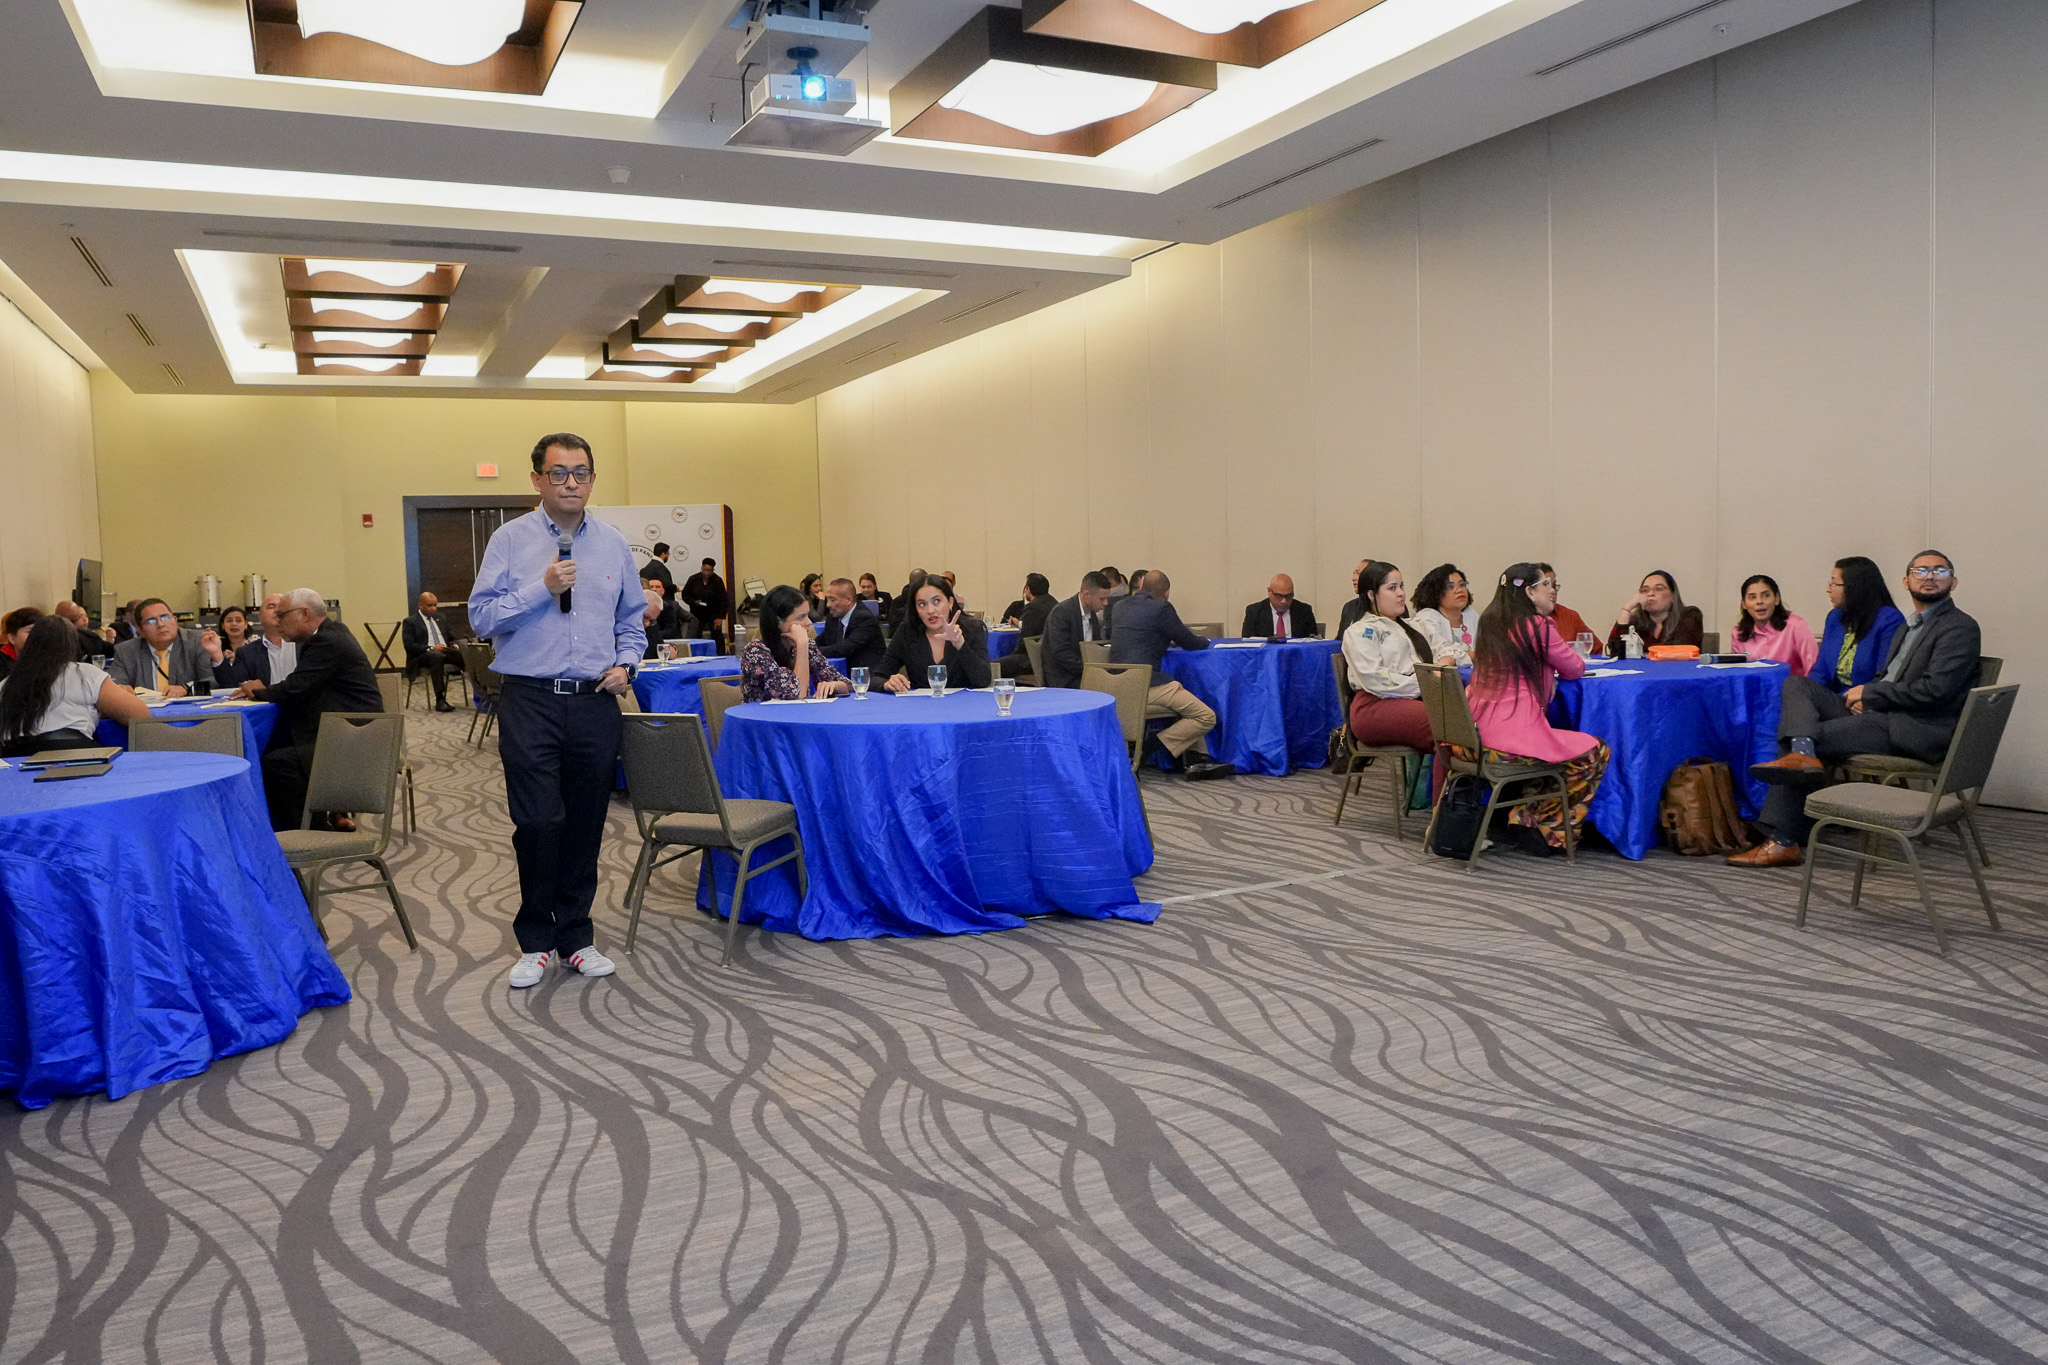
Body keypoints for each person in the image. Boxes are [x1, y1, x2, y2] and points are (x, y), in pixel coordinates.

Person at [466, 433, 644, 988]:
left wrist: (628, 665)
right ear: (537, 480)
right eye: (559, 472)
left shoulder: (612, 544)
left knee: (587, 823)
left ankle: (576, 937)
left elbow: (631, 620)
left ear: (592, 479)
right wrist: (540, 588)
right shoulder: (510, 540)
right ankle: (535, 940)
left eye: (581, 472)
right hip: (530, 699)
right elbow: (481, 618)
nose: (571, 482)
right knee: (539, 822)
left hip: (595, 702)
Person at [1730, 550, 1980, 869]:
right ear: (1906, 581)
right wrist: (1868, 696)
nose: (1929, 576)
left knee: (1806, 738)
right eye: (1920, 571)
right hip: (1881, 712)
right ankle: (1797, 785)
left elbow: (1936, 690)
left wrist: (1871, 695)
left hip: (1911, 726)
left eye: (1939, 571)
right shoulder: (1911, 626)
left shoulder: (1959, 627)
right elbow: (1884, 675)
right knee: (1796, 687)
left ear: (1953, 582)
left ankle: (1783, 839)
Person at [1462, 564, 1609, 854]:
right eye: (1546, 584)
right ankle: (1549, 830)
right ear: (1529, 592)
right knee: (1595, 751)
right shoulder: (1537, 626)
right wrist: (1550, 673)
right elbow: (1574, 667)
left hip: (1472, 735)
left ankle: (1525, 819)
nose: (1552, 591)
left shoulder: (1490, 622)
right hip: (1509, 741)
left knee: (1553, 752)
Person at [230, 588, 383, 831]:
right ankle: (320, 819)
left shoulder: (326, 641)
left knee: (275, 763)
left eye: (282, 615)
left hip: (351, 738)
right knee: (279, 747)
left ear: (304, 614)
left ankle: (310, 831)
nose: (278, 622)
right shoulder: (331, 633)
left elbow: (294, 689)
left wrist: (258, 690)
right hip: (350, 729)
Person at [1106, 572, 1234, 780]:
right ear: (1166, 593)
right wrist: (1206, 640)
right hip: (1147, 686)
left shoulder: (1119, 606)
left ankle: (1195, 758)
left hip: (1115, 687)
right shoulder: (1162, 608)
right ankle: (1150, 748)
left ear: (1140, 586)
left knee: (1185, 697)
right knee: (1205, 716)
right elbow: (1191, 642)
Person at [1342, 562, 1452, 759]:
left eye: (1401, 586)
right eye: (1392, 588)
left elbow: (1448, 649)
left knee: (1463, 713)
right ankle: (1454, 777)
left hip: (1415, 697)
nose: (1401, 593)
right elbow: (1375, 679)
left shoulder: (1415, 626)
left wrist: (1446, 661)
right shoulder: (1361, 632)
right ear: (1371, 594)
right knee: (1445, 720)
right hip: (1374, 705)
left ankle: (1447, 776)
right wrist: (1428, 683)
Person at [0, 616, 149, 757]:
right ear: (73, 644)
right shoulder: (84, 674)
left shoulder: (6, 684)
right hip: (75, 756)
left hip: (16, 759)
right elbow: (140, 716)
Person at [1813, 555, 1906, 694]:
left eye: (1834, 583)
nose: (1828, 589)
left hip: (1865, 699)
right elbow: (1821, 671)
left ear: (1854, 587)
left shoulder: (1889, 619)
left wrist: (1854, 696)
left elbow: (1885, 675)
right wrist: (1810, 692)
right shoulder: (1834, 617)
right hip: (1833, 698)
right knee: (1795, 683)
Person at [742, 585, 852, 701]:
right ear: (778, 622)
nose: (809, 622)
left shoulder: (807, 646)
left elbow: (847, 684)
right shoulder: (755, 652)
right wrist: (802, 645)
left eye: (807, 615)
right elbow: (796, 695)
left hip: (800, 712)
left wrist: (835, 685)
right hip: (765, 712)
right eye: (801, 617)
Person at [883, 576, 990, 692]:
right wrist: (887, 683)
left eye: (936, 601)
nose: (930, 610)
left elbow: (983, 680)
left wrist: (960, 644)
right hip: (921, 703)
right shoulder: (907, 632)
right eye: (922, 604)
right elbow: (878, 676)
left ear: (950, 602)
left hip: (964, 702)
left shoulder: (972, 629)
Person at [108, 599, 216, 695]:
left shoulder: (197, 641)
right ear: (140, 630)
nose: (160, 624)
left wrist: (186, 690)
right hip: (145, 710)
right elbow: (113, 684)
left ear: (175, 620)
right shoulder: (125, 651)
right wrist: (120, 689)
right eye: (151, 621)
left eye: (165, 617)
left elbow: (214, 682)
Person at [1040, 572, 1114, 691]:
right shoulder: (1061, 613)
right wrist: (1090, 669)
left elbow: (1095, 646)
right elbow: (1060, 653)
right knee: (1110, 688)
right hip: (1064, 677)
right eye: (1102, 599)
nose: (1106, 603)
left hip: (1082, 672)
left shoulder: (1092, 615)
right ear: (1086, 594)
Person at [1730, 575, 1819, 674]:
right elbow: (1738, 673)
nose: (1759, 601)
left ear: (1777, 599)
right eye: (1752, 597)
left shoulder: (1796, 626)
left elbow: (1814, 669)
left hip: (1790, 683)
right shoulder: (1738, 633)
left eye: (1766, 595)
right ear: (1744, 604)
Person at [1607, 570, 1704, 656]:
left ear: (1673, 596)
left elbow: (1676, 650)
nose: (1650, 594)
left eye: (1659, 589)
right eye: (1645, 590)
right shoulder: (1636, 621)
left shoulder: (1690, 615)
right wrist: (1626, 609)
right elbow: (1615, 652)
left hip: (1677, 669)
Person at [400, 591, 464, 712]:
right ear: (420, 605)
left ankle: (482, 690)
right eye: (429, 605)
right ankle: (440, 699)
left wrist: (454, 645)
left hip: (444, 651)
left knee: (466, 653)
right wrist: (431, 648)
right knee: (436, 656)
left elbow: (451, 637)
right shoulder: (410, 622)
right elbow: (410, 646)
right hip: (422, 655)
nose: (433, 608)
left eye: (435, 605)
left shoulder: (441, 618)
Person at [1409, 564, 1479, 667]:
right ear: (1435, 593)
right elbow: (1441, 654)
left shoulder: (1470, 614)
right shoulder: (1427, 617)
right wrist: (1476, 655)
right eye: (1450, 587)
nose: (1459, 590)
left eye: (1462, 585)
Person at [818, 577, 888, 677]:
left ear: (849, 600)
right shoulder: (833, 617)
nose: (828, 604)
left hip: (867, 676)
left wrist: (815, 651)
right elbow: (821, 640)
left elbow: (845, 648)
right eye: (827, 599)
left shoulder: (864, 618)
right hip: (843, 673)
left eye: (832, 600)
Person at [1242, 574, 1318, 640]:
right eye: (1278, 596)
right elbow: (1247, 644)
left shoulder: (1304, 611)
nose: (1284, 601)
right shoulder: (1254, 612)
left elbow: (1313, 643)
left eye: (1288, 596)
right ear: (1269, 592)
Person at [681, 557, 729, 651]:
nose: (707, 573)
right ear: (701, 568)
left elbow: (723, 599)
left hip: (713, 613)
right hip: (697, 612)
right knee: (695, 635)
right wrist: (693, 602)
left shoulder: (718, 581)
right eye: (705, 570)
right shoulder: (693, 579)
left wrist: (720, 617)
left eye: (709, 571)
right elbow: (685, 595)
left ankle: (721, 655)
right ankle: (694, 654)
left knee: (717, 635)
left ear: (713, 570)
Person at [1335, 558, 1377, 636]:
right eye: (1354, 574)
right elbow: (1341, 638)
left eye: (1358, 573)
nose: (1353, 578)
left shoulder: (1386, 607)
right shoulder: (1349, 607)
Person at [0, 607, 42, 682]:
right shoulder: (2, 663)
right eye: (30, 631)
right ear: (12, 638)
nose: (37, 635)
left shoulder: (47, 658)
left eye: (40, 631)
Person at [640, 541, 676, 606]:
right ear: (663, 554)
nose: (668, 556)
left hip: (648, 603)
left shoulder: (644, 569)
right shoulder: (662, 569)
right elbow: (668, 587)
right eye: (668, 554)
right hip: (663, 604)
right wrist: (675, 588)